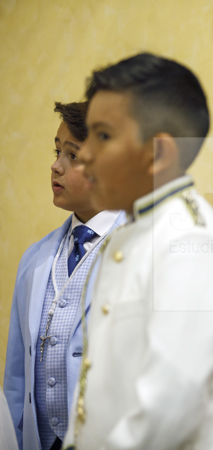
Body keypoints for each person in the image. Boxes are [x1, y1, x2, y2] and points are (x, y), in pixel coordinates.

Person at [61, 53, 213, 449]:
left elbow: (167, 410)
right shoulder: (134, 232)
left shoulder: (190, 242)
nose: (86, 154)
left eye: (103, 136)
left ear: (159, 153)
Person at [4, 101, 125, 450]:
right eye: (57, 152)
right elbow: (16, 376)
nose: (55, 166)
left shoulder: (143, 250)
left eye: (72, 155)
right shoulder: (35, 259)